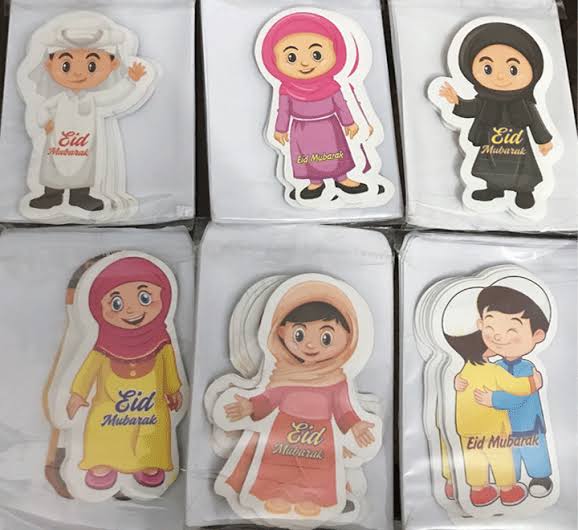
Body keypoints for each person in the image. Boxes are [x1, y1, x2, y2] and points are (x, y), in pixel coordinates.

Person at [220, 280, 377, 517]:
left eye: (326, 337)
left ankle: (312, 498)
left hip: (321, 435)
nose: (311, 344)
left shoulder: (336, 380)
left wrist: (355, 424)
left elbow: (343, 408)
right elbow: (270, 399)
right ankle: (275, 494)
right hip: (282, 430)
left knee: (317, 471)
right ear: (281, 331)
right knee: (278, 467)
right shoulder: (284, 374)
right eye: (300, 334)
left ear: (349, 336)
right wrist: (250, 406)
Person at [66, 256, 183, 490]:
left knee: (153, 430)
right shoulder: (102, 347)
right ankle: (102, 461)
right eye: (117, 303)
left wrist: (173, 390)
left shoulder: (162, 344)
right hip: (108, 405)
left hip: (151, 407)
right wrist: (78, 394)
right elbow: (88, 370)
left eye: (144, 298)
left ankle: (149, 462)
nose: (131, 309)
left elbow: (170, 368)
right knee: (100, 426)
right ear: (98, 307)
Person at [439, 22, 553, 209]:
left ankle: (524, 192)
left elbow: (536, 123)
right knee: (491, 168)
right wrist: (456, 100)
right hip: (490, 147)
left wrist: (544, 141)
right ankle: (494, 189)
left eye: (513, 69)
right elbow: (471, 109)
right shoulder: (484, 101)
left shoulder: (525, 104)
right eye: (488, 69)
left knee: (522, 171)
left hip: (519, 149)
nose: (500, 76)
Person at [457, 282, 554, 499]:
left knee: (534, 452)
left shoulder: (527, 368)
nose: (500, 337)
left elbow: (520, 395)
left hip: (528, 424)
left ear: (537, 335)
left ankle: (540, 478)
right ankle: (510, 483)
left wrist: (494, 399)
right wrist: (458, 381)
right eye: (491, 328)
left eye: (512, 330)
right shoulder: (495, 367)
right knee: (510, 458)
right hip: (502, 428)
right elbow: (478, 381)